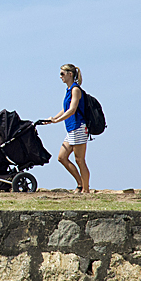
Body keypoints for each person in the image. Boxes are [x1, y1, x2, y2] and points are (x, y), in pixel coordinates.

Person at [44, 64, 90, 193]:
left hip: (78, 127)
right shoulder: (69, 90)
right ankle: (80, 183)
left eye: (62, 74)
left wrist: (57, 120)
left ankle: (85, 190)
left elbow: (72, 109)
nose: (60, 77)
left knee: (80, 160)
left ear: (70, 74)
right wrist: (53, 118)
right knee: (62, 157)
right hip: (71, 128)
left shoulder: (76, 89)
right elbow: (65, 108)